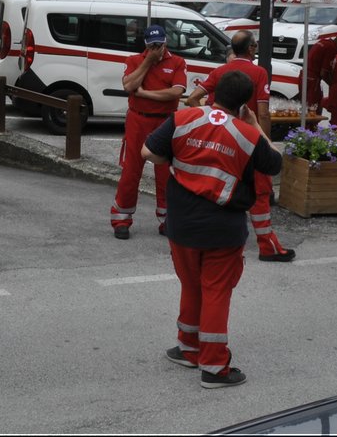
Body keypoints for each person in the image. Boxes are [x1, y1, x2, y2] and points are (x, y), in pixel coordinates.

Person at [143, 71, 281, 389]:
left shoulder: (185, 118)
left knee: (191, 286)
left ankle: (189, 349)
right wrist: (256, 125)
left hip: (181, 224)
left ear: (213, 92)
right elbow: (274, 164)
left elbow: (149, 153)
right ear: (245, 103)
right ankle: (215, 366)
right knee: (216, 291)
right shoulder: (246, 135)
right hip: (222, 228)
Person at [184, 31, 294, 263]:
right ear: (252, 49)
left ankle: (214, 241)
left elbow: (191, 99)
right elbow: (262, 112)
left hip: (223, 139)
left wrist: (210, 120)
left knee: (220, 187)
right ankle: (267, 246)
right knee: (261, 193)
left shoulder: (220, 71)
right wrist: (264, 138)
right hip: (249, 138)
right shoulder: (259, 72)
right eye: (255, 45)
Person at [111, 24, 186, 238]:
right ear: (145, 44)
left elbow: (175, 93)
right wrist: (148, 61)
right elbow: (128, 86)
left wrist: (144, 94)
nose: (157, 49)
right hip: (138, 120)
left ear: (166, 43)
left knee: (166, 173)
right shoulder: (134, 60)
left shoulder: (178, 62)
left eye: (160, 45)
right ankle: (121, 219)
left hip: (165, 122)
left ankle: (167, 219)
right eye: (152, 45)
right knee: (131, 170)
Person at [303, 30, 337, 111]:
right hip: (312, 78)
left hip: (304, 74)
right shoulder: (332, 48)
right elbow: (323, 73)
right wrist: (333, 85)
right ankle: (310, 123)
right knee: (313, 106)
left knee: (306, 104)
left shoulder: (324, 41)